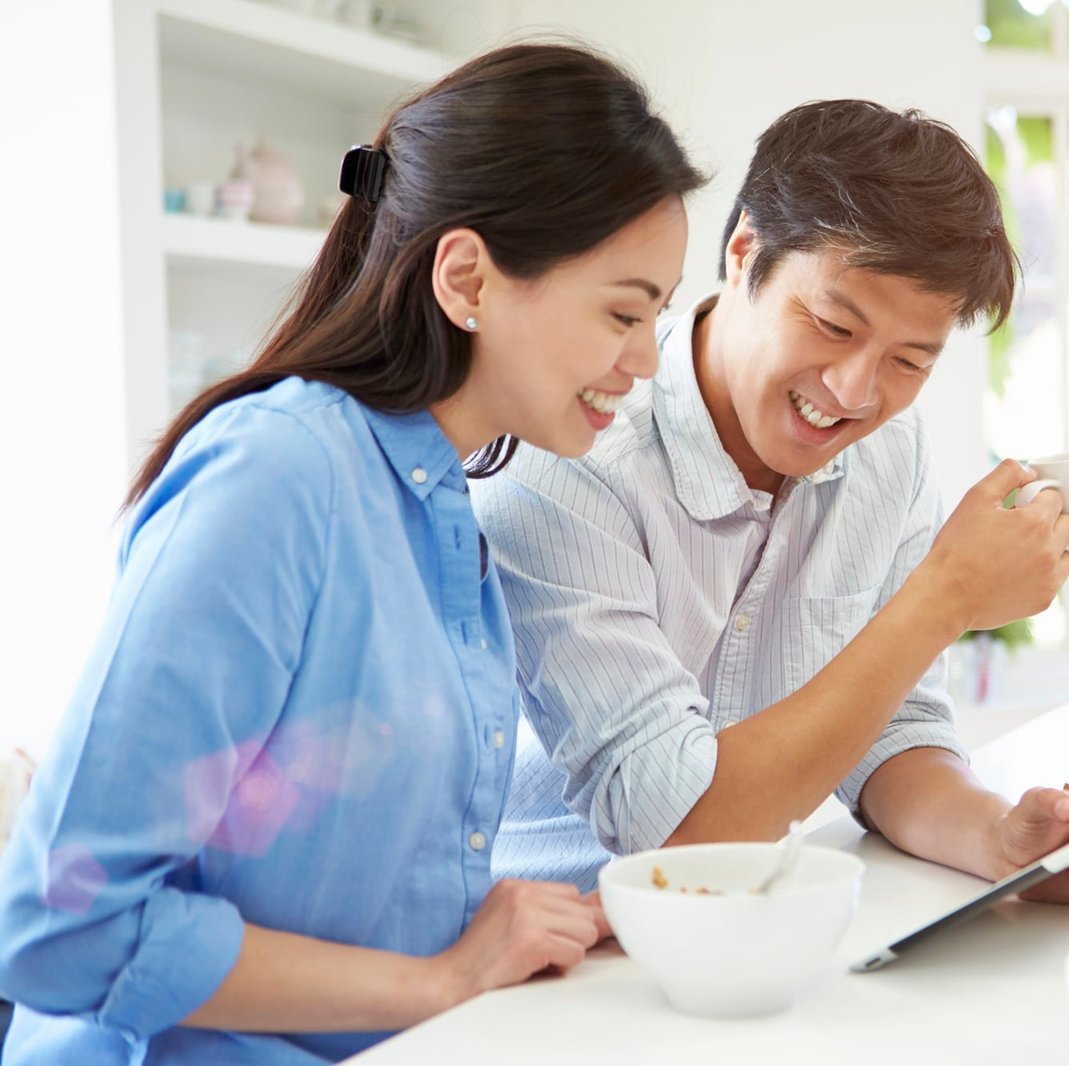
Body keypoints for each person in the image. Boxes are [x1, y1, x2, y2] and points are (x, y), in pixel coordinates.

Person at [0, 43, 702, 1064]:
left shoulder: (445, 511)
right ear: (467, 276)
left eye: (658, 317)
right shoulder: (278, 477)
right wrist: (442, 978)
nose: (644, 360)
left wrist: (502, 934)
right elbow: (63, 927)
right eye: (624, 312)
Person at [478, 99, 1069, 901]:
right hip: (570, 942)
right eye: (832, 325)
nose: (855, 392)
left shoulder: (889, 454)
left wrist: (1004, 843)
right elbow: (676, 837)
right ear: (745, 253)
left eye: (909, 361)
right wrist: (944, 598)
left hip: (771, 919)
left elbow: (894, 735)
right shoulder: (571, 458)